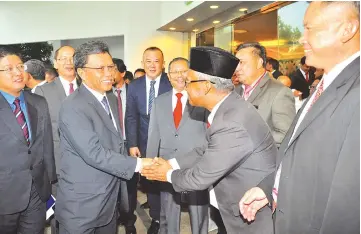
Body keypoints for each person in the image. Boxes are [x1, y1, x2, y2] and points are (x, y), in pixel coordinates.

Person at [239, 2, 360, 234]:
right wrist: (269, 187)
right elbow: (297, 151)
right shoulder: (327, 83)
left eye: (310, 29)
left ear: (348, 29)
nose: (301, 39)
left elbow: (349, 198)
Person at [142, 46, 277, 233]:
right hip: (237, 207)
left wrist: (166, 174)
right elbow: (204, 149)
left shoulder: (231, 122)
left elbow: (199, 178)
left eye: (188, 81)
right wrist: (171, 163)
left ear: (205, 86)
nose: (184, 85)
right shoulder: (228, 108)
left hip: (252, 216)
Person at [55, 40, 152, 234]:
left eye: (111, 67)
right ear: (82, 72)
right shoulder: (73, 106)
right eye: (100, 68)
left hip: (109, 200)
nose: (109, 73)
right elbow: (94, 153)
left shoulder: (107, 97)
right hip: (83, 205)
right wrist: (140, 164)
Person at [147, 57, 209, 234]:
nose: (179, 76)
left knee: (198, 211)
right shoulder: (159, 101)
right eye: (175, 72)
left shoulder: (202, 99)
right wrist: (151, 165)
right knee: (169, 211)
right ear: (168, 75)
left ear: (190, 73)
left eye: (183, 71)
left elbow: (208, 133)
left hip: (195, 163)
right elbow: (154, 135)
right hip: (167, 164)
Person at [0, 46, 56, 233]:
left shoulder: (38, 102)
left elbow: (46, 146)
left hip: (36, 193)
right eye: (9, 69)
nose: (18, 73)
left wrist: (49, 183)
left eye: (20, 66)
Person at [126, 46, 172, 234]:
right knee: (150, 183)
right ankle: (156, 218)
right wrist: (132, 143)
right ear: (142, 63)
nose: (152, 65)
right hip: (144, 143)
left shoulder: (171, 83)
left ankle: (170, 218)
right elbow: (131, 117)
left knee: (169, 182)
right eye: (148, 61)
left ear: (163, 63)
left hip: (169, 142)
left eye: (156, 61)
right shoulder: (135, 86)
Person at [34, 45, 79, 234]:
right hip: (58, 164)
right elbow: (40, 133)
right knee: (59, 212)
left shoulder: (89, 86)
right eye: (64, 59)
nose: (69, 62)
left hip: (89, 164)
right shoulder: (43, 92)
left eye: (73, 58)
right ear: (55, 63)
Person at [234, 42, 295, 147]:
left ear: (259, 62)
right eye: (236, 64)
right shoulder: (235, 91)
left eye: (242, 62)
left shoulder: (279, 92)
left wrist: (246, 137)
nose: (237, 68)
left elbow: (286, 134)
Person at [111, 58, 137, 234]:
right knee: (113, 183)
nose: (107, 74)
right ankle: (114, 216)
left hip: (130, 145)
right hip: (111, 145)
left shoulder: (132, 91)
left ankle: (129, 219)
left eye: (112, 70)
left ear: (121, 73)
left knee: (130, 184)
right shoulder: (104, 94)